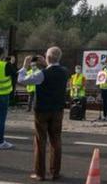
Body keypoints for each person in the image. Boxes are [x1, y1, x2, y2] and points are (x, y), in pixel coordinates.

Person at [19, 46, 69, 181]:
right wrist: (47, 63)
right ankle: (55, 172)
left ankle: (40, 173)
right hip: (57, 110)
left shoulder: (42, 74)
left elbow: (21, 80)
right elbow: (54, 69)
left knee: (40, 141)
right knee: (56, 140)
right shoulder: (65, 71)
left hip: (42, 110)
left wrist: (25, 66)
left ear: (47, 57)